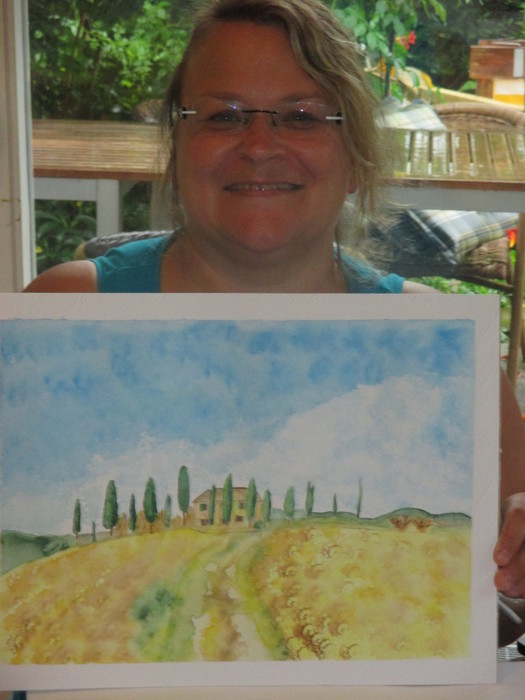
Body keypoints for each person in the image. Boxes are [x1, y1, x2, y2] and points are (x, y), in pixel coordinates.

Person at [24, 0, 525, 645]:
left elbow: (498, 607)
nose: (259, 146)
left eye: (303, 117)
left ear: (355, 157)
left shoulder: (447, 345)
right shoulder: (62, 311)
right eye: (224, 115)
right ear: (178, 144)